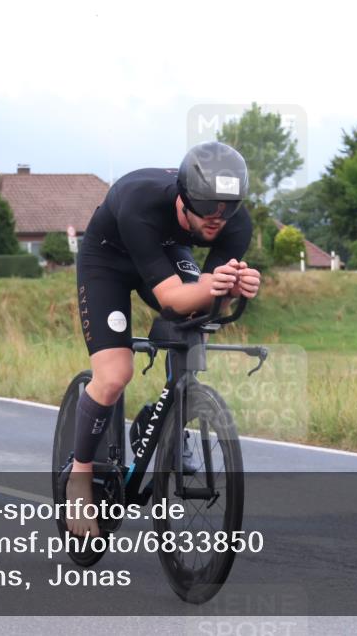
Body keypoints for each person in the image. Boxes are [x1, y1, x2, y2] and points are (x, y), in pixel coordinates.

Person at [67, 141, 262, 537]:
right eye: (206, 209)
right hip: (108, 260)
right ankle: (79, 473)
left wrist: (234, 287)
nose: (217, 220)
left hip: (167, 251)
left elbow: (205, 297)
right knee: (114, 375)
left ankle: (164, 417)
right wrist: (213, 288)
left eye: (226, 209)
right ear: (184, 199)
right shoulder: (140, 201)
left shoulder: (235, 223)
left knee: (193, 319)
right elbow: (172, 298)